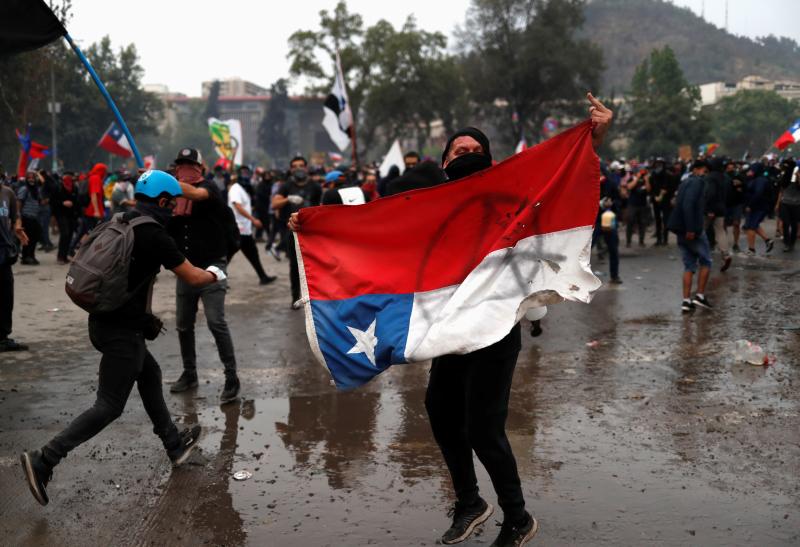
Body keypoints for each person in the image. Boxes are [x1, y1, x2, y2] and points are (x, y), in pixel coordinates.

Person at [289, 92, 613, 547]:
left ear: (492, 162)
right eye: (460, 150)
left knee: (484, 426)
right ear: (445, 162)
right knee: (441, 411)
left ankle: (517, 518)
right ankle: (470, 502)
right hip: (448, 329)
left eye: (477, 151)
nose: (468, 155)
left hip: (495, 329)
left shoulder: (512, 201)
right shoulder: (426, 207)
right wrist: (315, 228)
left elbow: (562, 179)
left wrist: (593, 138)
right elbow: (375, 233)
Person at [20, 170, 222, 506]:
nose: (175, 209)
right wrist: (217, 271)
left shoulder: (120, 218)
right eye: (172, 204)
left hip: (102, 320)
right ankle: (44, 460)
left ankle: (174, 444)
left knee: (151, 373)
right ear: (162, 201)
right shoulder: (155, 236)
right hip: (122, 333)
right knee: (109, 406)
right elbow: (194, 277)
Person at [167, 148, 242, 403]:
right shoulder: (172, 196)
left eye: (190, 165)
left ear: (200, 169)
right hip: (186, 268)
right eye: (181, 165)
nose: (186, 170)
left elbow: (197, 194)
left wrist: (165, 182)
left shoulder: (209, 188)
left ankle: (231, 377)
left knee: (215, 322)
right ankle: (190, 374)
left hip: (212, 267)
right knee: (183, 325)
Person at [272, 155, 322, 309]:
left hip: (313, 233)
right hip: (293, 232)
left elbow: (322, 206)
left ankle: (317, 297)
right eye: (295, 166)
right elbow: (274, 203)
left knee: (316, 266)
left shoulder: (315, 186)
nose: (298, 168)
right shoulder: (286, 186)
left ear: (306, 168)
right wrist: (288, 199)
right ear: (291, 169)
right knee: (295, 267)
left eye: (301, 165)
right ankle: (296, 296)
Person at [668, 159, 713, 313]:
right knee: (706, 261)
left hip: (681, 229)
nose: (705, 175)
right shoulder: (697, 183)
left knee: (689, 265)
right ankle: (700, 296)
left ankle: (686, 301)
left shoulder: (685, 182)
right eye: (704, 171)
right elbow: (688, 204)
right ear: (697, 170)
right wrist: (691, 228)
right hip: (692, 229)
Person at [228, 172, 277, 284]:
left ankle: (263, 276)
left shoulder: (243, 189)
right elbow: (237, 206)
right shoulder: (236, 188)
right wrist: (253, 219)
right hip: (237, 229)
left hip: (244, 229)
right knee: (227, 256)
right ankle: (216, 280)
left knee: (252, 254)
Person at [0, 180, 29, 351]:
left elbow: (15, 215)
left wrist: (17, 228)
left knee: (5, 295)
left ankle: (2, 337)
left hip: (4, 250)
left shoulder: (7, 193)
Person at [704, 158, 732, 272]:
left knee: (701, 229)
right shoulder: (725, 177)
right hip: (721, 208)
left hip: (710, 208)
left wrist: (709, 209)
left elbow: (710, 193)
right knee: (720, 231)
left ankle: (698, 253)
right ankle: (726, 254)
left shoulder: (710, 177)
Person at [743, 163, 775, 256]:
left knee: (751, 227)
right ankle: (768, 240)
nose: (750, 172)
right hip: (758, 206)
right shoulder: (756, 179)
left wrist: (750, 205)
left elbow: (758, 193)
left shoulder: (760, 180)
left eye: (751, 170)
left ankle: (751, 249)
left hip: (757, 207)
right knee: (754, 225)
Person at [16, 171, 43, 265]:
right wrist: (18, 216)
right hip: (26, 217)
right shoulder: (24, 189)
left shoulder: (36, 190)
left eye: (33, 178)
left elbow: (39, 201)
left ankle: (31, 255)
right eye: (29, 178)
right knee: (27, 238)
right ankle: (25, 257)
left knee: (35, 237)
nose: (31, 179)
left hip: (34, 217)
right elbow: (19, 202)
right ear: (26, 179)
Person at [52, 173, 78, 265]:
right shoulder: (58, 188)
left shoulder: (74, 188)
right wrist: (63, 203)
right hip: (61, 214)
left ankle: (64, 256)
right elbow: (53, 202)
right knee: (65, 234)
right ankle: (60, 256)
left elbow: (76, 201)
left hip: (71, 215)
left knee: (70, 234)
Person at [778, 163, 800, 251]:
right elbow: (782, 186)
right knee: (785, 223)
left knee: (794, 225)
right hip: (785, 203)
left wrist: (798, 177)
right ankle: (786, 243)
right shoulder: (787, 176)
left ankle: (792, 243)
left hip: (797, 204)